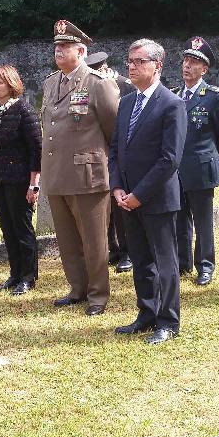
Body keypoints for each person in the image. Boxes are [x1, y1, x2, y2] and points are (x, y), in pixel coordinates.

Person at [109, 39, 187, 344]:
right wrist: (117, 187)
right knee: (140, 259)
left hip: (156, 199)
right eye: (130, 60)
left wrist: (139, 194)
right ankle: (146, 312)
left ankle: (167, 321)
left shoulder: (171, 104)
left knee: (164, 262)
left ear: (157, 65)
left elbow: (170, 158)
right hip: (126, 198)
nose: (132, 66)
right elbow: (116, 148)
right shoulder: (127, 101)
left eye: (139, 61)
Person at [40, 20, 119, 316]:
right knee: (67, 238)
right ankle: (77, 288)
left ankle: (98, 295)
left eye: (65, 47)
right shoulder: (51, 83)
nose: (59, 51)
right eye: (57, 47)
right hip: (57, 174)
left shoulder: (97, 83)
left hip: (88, 175)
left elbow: (114, 130)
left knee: (94, 239)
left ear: (81, 50)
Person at [176, 37, 219, 285]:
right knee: (179, 218)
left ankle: (205, 265)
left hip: (201, 168)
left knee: (203, 221)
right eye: (186, 60)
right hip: (176, 171)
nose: (187, 66)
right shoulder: (174, 96)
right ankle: (182, 262)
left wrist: (208, 156)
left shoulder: (213, 96)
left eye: (194, 62)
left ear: (204, 69)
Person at [0, 65, 42, 295]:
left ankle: (28, 276)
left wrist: (34, 183)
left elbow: (36, 150)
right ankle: (15, 273)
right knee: (7, 229)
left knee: (22, 229)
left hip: (19, 179)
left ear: (11, 85)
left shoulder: (24, 111)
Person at [86, 50, 134, 274]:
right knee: (103, 205)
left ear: (105, 67)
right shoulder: (87, 85)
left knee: (120, 203)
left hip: (120, 152)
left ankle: (127, 251)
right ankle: (112, 248)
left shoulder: (124, 85)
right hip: (96, 153)